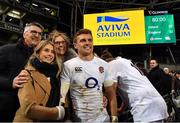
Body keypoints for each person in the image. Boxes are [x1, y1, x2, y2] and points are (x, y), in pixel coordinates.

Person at [59, 29, 118, 122]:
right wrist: (67, 118)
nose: (87, 43)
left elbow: (111, 94)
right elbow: (63, 95)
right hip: (80, 120)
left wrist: (114, 118)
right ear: (75, 45)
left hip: (103, 119)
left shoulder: (104, 65)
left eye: (90, 40)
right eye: (83, 40)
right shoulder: (68, 65)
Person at [100, 50, 169, 122]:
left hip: (144, 106)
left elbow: (111, 93)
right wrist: (121, 109)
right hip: (157, 102)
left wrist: (114, 118)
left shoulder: (111, 65)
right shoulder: (125, 61)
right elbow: (129, 87)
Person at [0, 22, 44, 122]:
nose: (37, 35)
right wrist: (10, 82)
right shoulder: (6, 50)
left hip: (30, 111)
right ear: (24, 34)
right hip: (6, 110)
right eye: (33, 32)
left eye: (40, 33)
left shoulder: (40, 57)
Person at [13, 40, 65, 122]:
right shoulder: (27, 74)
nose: (50, 54)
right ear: (38, 53)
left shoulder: (57, 75)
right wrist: (58, 112)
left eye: (53, 52)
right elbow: (29, 109)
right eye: (46, 50)